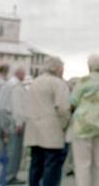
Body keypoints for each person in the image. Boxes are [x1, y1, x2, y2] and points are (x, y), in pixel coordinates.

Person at [69, 54, 99, 186]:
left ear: (89, 66)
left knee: (82, 164)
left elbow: (73, 100)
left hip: (83, 125)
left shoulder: (83, 80)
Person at [24, 56, 70, 186]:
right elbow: (62, 109)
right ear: (58, 69)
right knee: (52, 169)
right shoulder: (58, 83)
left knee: (35, 167)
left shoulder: (34, 83)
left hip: (34, 131)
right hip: (52, 132)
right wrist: (65, 126)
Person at [0, 66, 27, 185]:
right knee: (13, 152)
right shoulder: (15, 86)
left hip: (12, 122)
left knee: (13, 152)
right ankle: (9, 177)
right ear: (19, 74)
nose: (24, 77)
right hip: (15, 124)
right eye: (23, 74)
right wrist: (19, 123)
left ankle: (9, 176)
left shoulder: (11, 84)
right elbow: (17, 106)